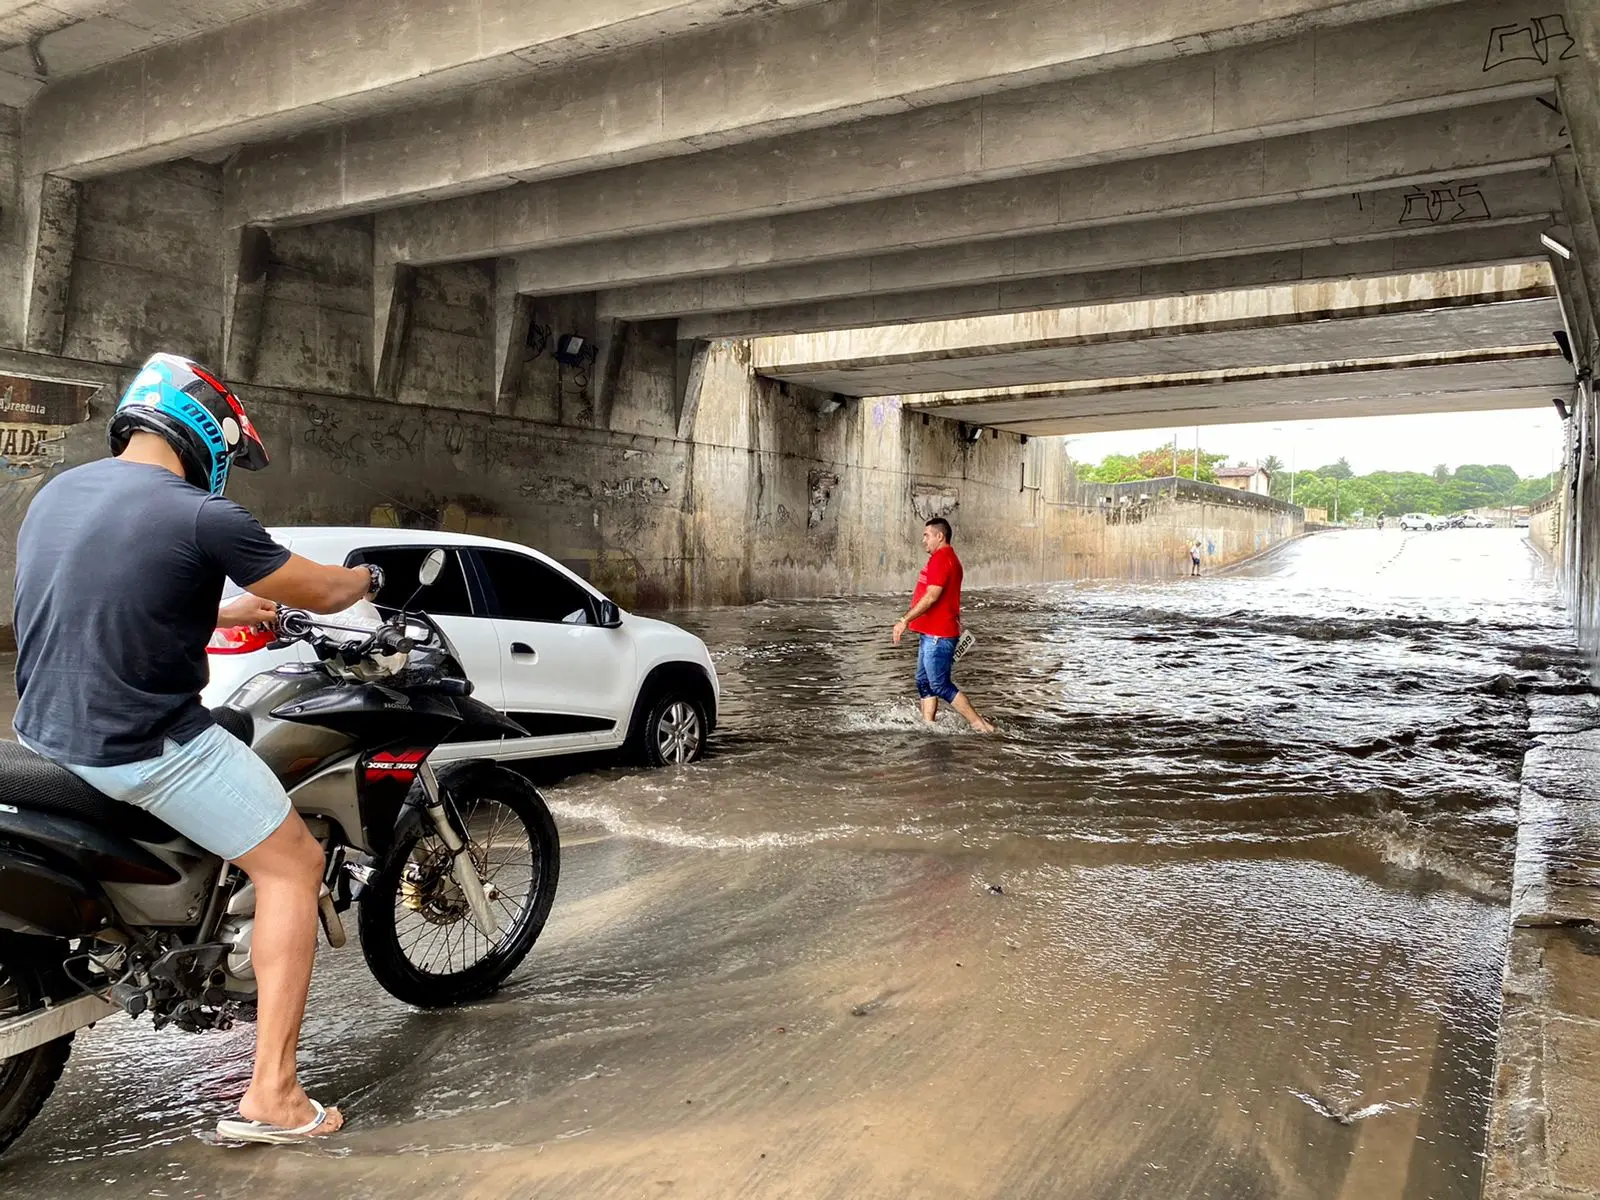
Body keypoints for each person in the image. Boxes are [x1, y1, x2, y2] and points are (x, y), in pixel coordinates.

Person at [12, 353, 382, 1143]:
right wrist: (364, 580)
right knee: (292, 863)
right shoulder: (202, 515)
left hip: (44, 728)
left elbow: (112, 599)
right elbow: (321, 590)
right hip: (137, 743)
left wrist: (232, 612)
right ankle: (274, 1096)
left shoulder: (60, 492)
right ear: (207, 431)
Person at [891, 517, 993, 733]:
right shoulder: (945, 558)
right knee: (923, 682)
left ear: (940, 536)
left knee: (939, 685)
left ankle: (980, 725)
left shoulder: (942, 559)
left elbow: (931, 597)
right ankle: (929, 726)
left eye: (927, 535)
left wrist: (904, 620)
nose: (923, 540)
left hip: (939, 635)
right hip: (932, 633)